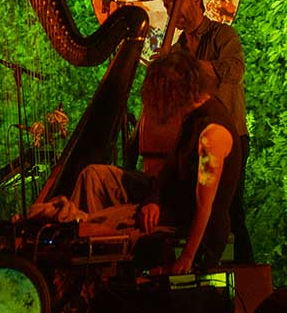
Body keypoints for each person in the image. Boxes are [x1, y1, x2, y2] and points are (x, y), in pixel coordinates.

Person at [68, 49, 241, 273]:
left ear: (174, 92)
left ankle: (87, 262)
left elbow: (204, 207)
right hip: (168, 199)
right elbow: (168, 170)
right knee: (93, 176)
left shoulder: (212, 135)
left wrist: (187, 257)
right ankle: (88, 254)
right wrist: (153, 200)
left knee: (98, 222)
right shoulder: (192, 114)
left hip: (186, 221)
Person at [159, 0, 251, 263]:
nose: (171, 12)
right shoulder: (178, 48)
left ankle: (247, 275)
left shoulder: (223, 35)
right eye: (166, 6)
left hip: (231, 136)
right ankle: (202, 265)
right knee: (198, 205)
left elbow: (235, 70)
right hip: (196, 140)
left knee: (231, 209)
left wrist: (189, 67)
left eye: (174, 4)